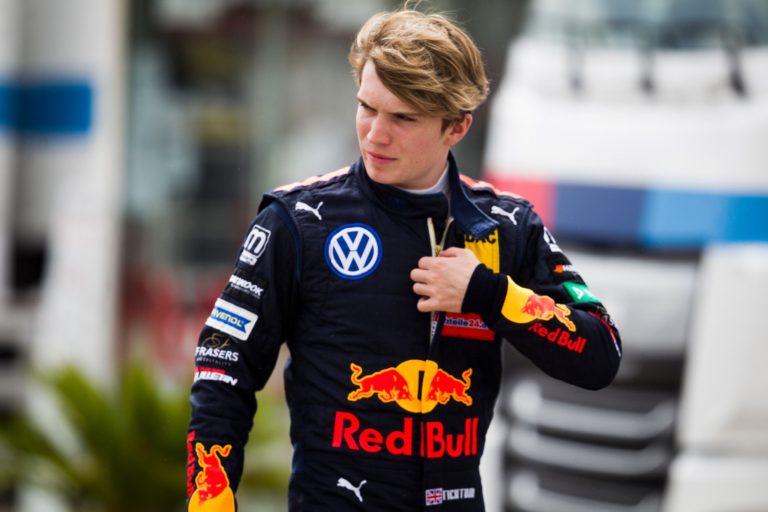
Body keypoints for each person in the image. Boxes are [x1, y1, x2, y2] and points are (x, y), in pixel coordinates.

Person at [186, 6, 622, 511]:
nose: (375, 134)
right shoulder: (298, 220)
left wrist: (489, 293)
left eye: (403, 118)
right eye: (367, 107)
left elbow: (601, 354)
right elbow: (223, 369)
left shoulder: (507, 225)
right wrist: (210, 502)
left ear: (456, 127)